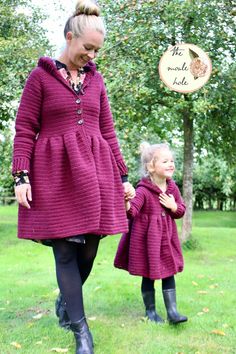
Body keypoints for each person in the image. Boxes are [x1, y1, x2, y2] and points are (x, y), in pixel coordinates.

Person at [12, 1, 134, 353]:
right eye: (87, 48)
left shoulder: (97, 80)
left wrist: (123, 175)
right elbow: (24, 129)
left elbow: (108, 132)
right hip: (54, 174)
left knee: (89, 250)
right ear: (69, 38)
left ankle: (67, 303)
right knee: (66, 251)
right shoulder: (40, 77)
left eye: (97, 50)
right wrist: (21, 176)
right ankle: (82, 332)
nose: (92, 55)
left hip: (96, 173)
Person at [114, 142, 188, 324]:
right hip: (148, 241)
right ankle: (151, 312)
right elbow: (131, 212)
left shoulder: (172, 189)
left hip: (167, 239)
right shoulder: (143, 190)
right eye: (165, 161)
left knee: (169, 272)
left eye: (172, 160)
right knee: (149, 274)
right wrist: (126, 201)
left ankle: (173, 312)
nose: (171, 164)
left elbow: (181, 211)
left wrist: (174, 206)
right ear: (151, 167)